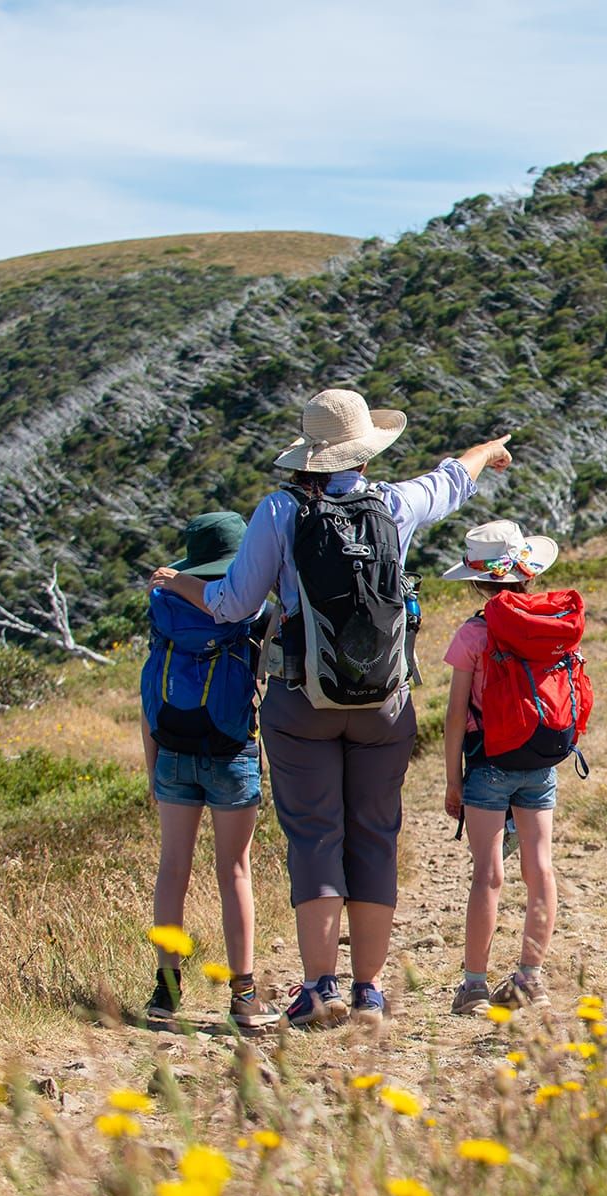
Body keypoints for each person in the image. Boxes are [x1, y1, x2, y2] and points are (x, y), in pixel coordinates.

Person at [150, 387, 511, 1028]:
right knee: (374, 835)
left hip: (301, 698)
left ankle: (320, 988)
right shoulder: (395, 504)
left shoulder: (280, 510)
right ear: (366, 452)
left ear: (309, 454)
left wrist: (181, 582)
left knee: (315, 836)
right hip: (384, 703)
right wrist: (489, 451)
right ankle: (370, 989)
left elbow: (234, 605)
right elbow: (454, 479)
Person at [441, 520, 590, 1013]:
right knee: (540, 866)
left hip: (489, 764)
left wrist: (452, 781)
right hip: (542, 760)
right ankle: (531, 977)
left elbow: (456, 716)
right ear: (527, 574)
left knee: (487, 873)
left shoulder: (474, 633)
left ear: (479, 581)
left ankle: (474, 986)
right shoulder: (549, 623)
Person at [140, 511, 278, 1031]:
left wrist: (153, 766)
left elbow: (149, 691)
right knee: (234, 871)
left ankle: (166, 991)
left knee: (172, 867)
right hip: (232, 748)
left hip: (173, 746)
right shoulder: (253, 611)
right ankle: (243, 996)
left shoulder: (165, 609)